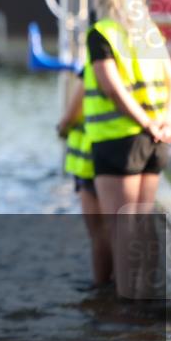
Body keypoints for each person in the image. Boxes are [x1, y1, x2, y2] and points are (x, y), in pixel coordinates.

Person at [83, 0, 171, 298]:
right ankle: (145, 295)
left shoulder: (102, 33)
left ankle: (126, 301)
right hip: (155, 142)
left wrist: (146, 122)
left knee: (121, 227)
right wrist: (163, 121)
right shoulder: (148, 32)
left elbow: (112, 88)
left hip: (118, 142)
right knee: (142, 221)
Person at [57, 72, 112, 287]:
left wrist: (62, 128)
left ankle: (102, 289)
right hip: (135, 151)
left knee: (99, 232)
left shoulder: (94, 66)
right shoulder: (145, 62)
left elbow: (72, 114)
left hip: (92, 161)